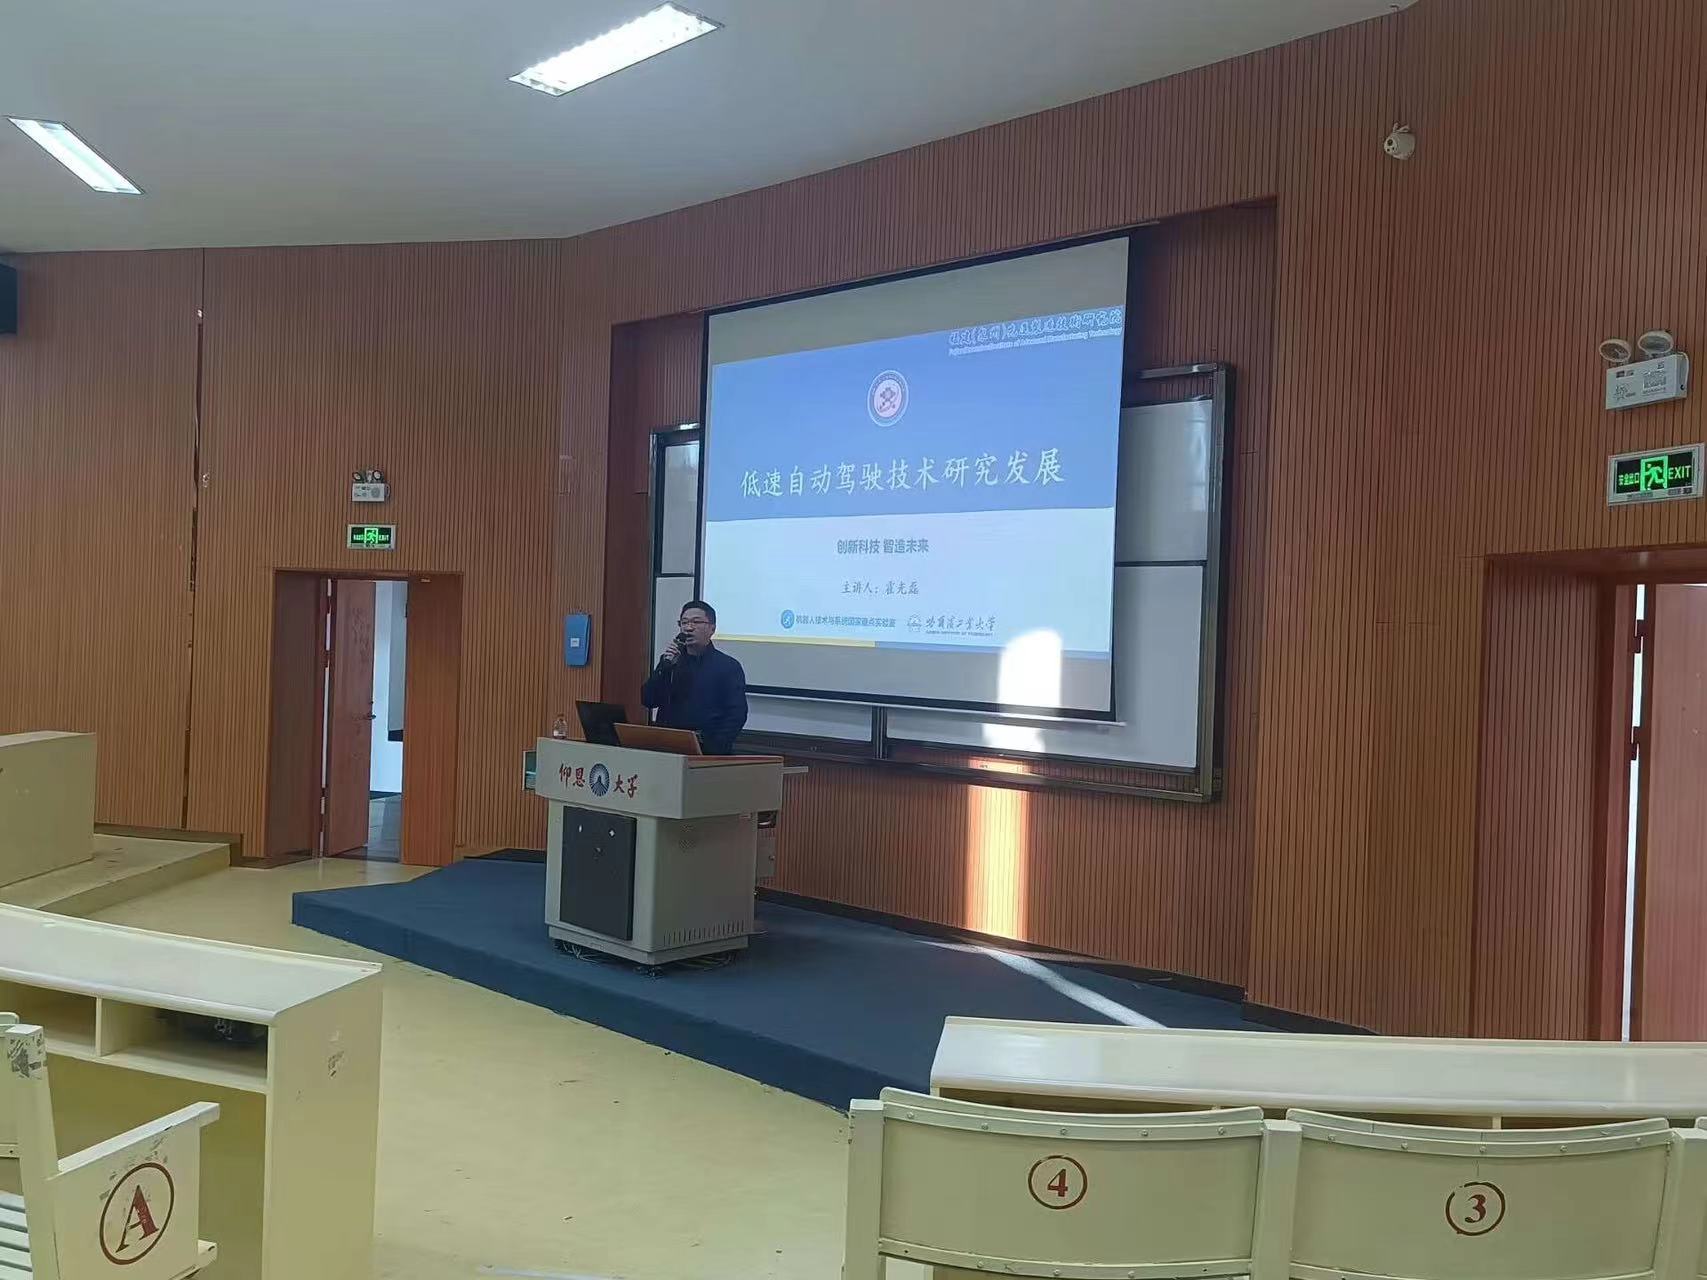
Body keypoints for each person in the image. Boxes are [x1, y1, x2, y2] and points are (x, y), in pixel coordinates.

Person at [640, 600, 748, 755]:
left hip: (706, 750)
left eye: (696, 622)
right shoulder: (670, 661)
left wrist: (714, 748)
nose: (688, 628)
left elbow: (736, 714)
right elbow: (648, 700)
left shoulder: (728, 666)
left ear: (712, 628)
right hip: (667, 746)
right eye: (684, 623)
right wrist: (664, 668)